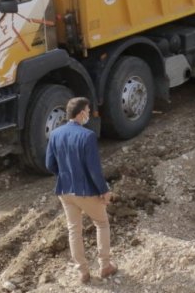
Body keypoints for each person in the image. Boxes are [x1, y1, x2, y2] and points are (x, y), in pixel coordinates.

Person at [46, 97, 118, 285]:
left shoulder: (55, 134)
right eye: (87, 110)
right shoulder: (87, 136)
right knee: (102, 224)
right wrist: (104, 190)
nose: (89, 113)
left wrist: (64, 175)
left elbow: (49, 164)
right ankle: (105, 266)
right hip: (86, 191)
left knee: (74, 230)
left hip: (65, 190)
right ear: (80, 113)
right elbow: (94, 169)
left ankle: (82, 272)